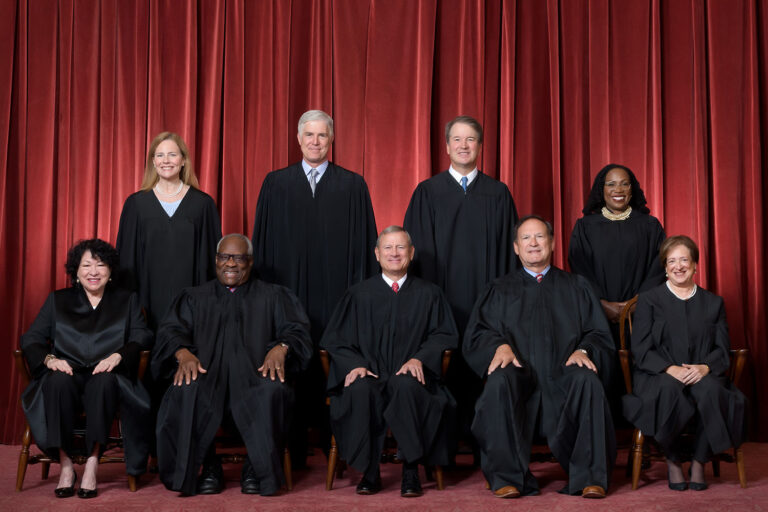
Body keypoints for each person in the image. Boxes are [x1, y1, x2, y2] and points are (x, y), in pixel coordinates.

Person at [251, 109, 378, 466]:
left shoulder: (353, 185)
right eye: (309, 135)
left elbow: (366, 245)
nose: (315, 141)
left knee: (333, 358)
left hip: (337, 295)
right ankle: (289, 442)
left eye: (322, 135)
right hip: (287, 294)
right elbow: (260, 245)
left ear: (332, 139)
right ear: (298, 138)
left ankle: (334, 440)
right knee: (289, 360)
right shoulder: (275, 184)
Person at [465, 215, 616, 499]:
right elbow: (478, 333)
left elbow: (598, 332)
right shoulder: (499, 289)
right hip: (519, 374)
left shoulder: (577, 286)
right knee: (498, 382)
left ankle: (590, 477)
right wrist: (499, 346)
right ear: (515, 247)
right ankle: (507, 477)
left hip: (563, 373)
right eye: (526, 238)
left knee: (587, 381)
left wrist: (583, 350)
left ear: (553, 243)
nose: (533, 243)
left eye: (540, 237)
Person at [152, 234, 313, 496]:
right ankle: (209, 466)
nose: (231, 264)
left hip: (256, 377)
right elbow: (170, 332)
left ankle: (256, 468)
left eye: (238, 258)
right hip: (207, 377)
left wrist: (281, 347)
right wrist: (182, 353)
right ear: (216, 260)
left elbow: (298, 331)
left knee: (273, 392)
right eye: (225, 257)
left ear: (250, 262)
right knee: (184, 391)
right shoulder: (194, 297)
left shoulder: (273, 296)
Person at [403, 115, 519, 458]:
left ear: (480, 146)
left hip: (487, 305)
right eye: (457, 139)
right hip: (443, 302)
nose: (464, 146)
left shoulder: (498, 194)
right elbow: (416, 257)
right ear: (447, 146)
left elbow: (510, 256)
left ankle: (487, 445)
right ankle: (442, 446)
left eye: (471, 140)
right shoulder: (427, 192)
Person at [320, 226, 458, 497]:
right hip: (369, 372)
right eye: (388, 248)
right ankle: (369, 472)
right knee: (361, 389)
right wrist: (355, 365)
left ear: (412, 252)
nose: (394, 253)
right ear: (377, 253)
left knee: (406, 386)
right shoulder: (358, 294)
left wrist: (420, 358)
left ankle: (410, 470)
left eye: (401, 247)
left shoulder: (430, 294)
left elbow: (445, 334)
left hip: (411, 378)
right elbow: (335, 340)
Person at [20, 239, 153, 499]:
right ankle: (66, 464)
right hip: (67, 372)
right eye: (87, 265)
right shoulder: (58, 300)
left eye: (100, 265)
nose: (94, 271)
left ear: (111, 271)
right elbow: (31, 338)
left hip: (106, 375)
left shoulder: (127, 300)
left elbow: (142, 336)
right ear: (76, 272)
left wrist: (119, 355)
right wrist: (49, 359)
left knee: (103, 383)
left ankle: (93, 461)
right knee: (56, 382)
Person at [622, 235, 746, 491]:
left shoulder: (713, 303)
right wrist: (670, 368)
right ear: (665, 267)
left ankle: (700, 460)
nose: (678, 266)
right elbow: (641, 348)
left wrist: (705, 367)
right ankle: (674, 459)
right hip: (659, 372)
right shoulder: (650, 300)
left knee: (712, 391)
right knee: (667, 390)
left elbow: (722, 348)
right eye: (671, 261)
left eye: (684, 260)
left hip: (702, 372)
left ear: (695, 265)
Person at [116, 131, 222, 331]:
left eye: (172, 155)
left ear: (183, 161)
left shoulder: (202, 204)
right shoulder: (136, 204)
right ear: (153, 162)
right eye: (160, 155)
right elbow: (126, 261)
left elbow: (211, 260)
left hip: (192, 306)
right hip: (147, 304)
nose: (166, 160)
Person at [568, 163, 666, 331]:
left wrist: (637, 303)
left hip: (642, 314)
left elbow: (659, 266)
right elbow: (580, 268)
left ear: (632, 188)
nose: (618, 189)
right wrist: (601, 303)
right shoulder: (585, 227)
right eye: (611, 184)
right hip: (597, 315)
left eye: (624, 183)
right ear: (602, 189)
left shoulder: (650, 225)